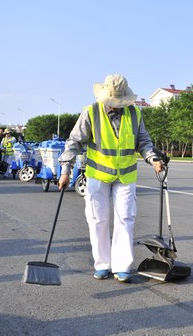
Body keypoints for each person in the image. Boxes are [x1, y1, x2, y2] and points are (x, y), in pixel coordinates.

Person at [58, 74, 163, 283]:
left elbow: (143, 141)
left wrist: (153, 159)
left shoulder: (135, 114)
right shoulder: (91, 112)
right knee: (98, 220)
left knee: (126, 219)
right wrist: (65, 170)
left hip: (125, 176)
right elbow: (74, 142)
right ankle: (102, 264)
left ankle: (122, 266)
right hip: (98, 176)